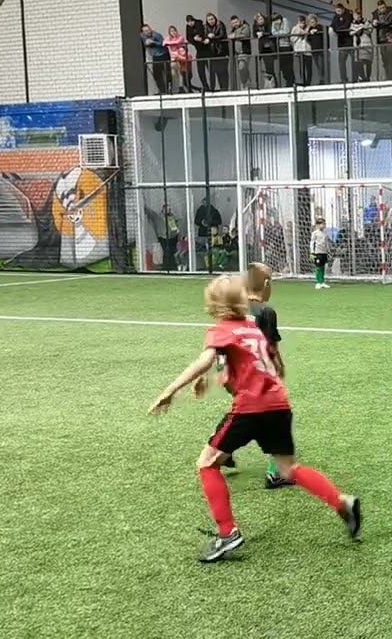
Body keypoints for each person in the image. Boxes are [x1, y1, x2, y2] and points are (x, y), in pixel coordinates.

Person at [149, 273, 361, 562]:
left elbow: (205, 360)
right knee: (287, 468)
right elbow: (256, 360)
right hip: (279, 404)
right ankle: (342, 502)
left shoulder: (220, 330)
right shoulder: (252, 327)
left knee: (207, 463)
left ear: (214, 304)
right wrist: (212, 377)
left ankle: (228, 533)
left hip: (251, 407)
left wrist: (170, 391)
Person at [140, 24, 171, 94]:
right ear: (143, 32)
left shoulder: (156, 35)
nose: (148, 32)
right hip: (155, 56)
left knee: (167, 73)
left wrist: (153, 42)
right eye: (146, 31)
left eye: (149, 30)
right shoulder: (142, 36)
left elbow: (163, 43)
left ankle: (169, 90)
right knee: (157, 74)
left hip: (163, 54)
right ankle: (162, 90)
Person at [372, 0, 392, 81]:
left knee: (391, 59)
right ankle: (387, 76)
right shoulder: (375, 13)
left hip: (390, 38)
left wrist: (378, 23)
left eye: (383, 7)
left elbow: (389, 22)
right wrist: (374, 23)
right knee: (384, 59)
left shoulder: (391, 11)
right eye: (380, 8)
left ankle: (391, 77)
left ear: (385, 6)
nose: (382, 9)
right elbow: (373, 23)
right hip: (381, 39)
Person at [202, 13, 229, 90]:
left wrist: (212, 37)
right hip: (211, 53)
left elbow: (222, 35)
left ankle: (224, 88)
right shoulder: (205, 27)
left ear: (215, 19)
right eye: (209, 20)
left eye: (212, 19)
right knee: (214, 72)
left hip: (221, 52)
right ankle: (213, 89)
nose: (211, 21)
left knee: (223, 72)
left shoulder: (220, 24)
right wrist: (208, 37)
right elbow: (204, 36)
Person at [330, 3, 355, 83]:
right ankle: (343, 79)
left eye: (339, 11)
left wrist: (336, 29)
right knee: (341, 62)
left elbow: (346, 25)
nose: (338, 12)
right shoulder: (336, 16)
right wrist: (331, 27)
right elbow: (333, 24)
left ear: (343, 9)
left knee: (354, 61)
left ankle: (355, 78)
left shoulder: (348, 15)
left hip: (350, 42)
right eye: (336, 11)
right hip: (341, 43)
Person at [163, 25, 192, 92]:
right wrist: (170, 43)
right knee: (174, 75)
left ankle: (182, 89)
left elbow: (178, 42)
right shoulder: (168, 38)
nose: (173, 32)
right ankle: (175, 90)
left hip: (181, 58)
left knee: (182, 74)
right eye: (171, 31)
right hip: (173, 58)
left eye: (174, 30)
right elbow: (164, 43)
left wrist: (169, 43)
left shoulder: (180, 37)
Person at [194, 197, 222, 267]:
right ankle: (205, 265)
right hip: (202, 233)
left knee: (211, 249)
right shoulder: (200, 210)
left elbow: (219, 221)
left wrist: (210, 222)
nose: (204, 204)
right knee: (203, 250)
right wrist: (201, 222)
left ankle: (212, 265)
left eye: (205, 202)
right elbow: (196, 221)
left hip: (212, 234)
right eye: (203, 203)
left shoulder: (214, 211)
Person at [185, 15, 209, 91]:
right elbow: (188, 38)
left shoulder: (199, 23)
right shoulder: (188, 27)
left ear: (194, 20)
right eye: (188, 22)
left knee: (210, 69)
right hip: (199, 50)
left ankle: (212, 86)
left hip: (207, 49)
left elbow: (202, 33)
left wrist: (200, 38)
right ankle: (206, 86)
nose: (190, 23)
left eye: (191, 21)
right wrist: (194, 39)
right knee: (200, 71)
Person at [228, 15, 251, 89]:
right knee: (240, 70)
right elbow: (229, 36)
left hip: (244, 52)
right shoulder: (232, 30)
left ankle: (246, 84)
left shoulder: (245, 26)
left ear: (239, 20)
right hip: (236, 54)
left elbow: (245, 35)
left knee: (242, 68)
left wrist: (234, 36)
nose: (235, 24)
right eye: (233, 23)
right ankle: (245, 85)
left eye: (236, 22)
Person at [271, 13, 295, 86]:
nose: (276, 22)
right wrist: (280, 33)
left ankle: (290, 82)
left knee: (288, 65)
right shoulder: (274, 23)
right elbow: (273, 32)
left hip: (287, 46)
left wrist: (278, 33)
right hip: (279, 46)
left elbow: (286, 31)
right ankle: (287, 80)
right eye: (274, 21)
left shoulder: (285, 21)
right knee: (282, 66)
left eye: (277, 20)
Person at [253, 12, 276, 86]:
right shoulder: (256, 26)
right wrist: (256, 30)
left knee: (271, 67)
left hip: (270, 48)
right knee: (265, 67)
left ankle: (274, 83)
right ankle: (268, 83)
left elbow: (270, 32)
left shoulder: (267, 24)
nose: (260, 20)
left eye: (261, 19)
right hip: (262, 49)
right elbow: (254, 35)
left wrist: (262, 34)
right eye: (258, 19)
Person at [305, 13, 328, 85]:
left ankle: (323, 80)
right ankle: (321, 79)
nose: (312, 23)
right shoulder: (310, 29)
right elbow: (307, 39)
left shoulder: (320, 27)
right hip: (314, 50)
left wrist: (315, 31)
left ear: (316, 21)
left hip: (321, 49)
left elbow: (324, 32)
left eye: (313, 22)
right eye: (311, 22)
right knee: (318, 65)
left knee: (321, 65)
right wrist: (309, 31)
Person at [351, 12, 373, 82]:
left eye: (358, 16)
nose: (357, 18)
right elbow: (350, 32)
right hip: (358, 46)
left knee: (368, 62)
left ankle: (368, 77)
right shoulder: (352, 23)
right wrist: (357, 30)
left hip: (367, 44)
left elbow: (370, 30)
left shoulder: (366, 22)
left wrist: (363, 26)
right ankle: (362, 77)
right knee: (359, 62)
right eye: (355, 16)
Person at [311, 219, 332, 289]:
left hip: (324, 252)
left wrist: (328, 251)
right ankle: (318, 282)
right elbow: (312, 242)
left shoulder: (325, 233)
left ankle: (322, 282)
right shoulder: (315, 233)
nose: (324, 225)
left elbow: (326, 243)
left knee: (323, 267)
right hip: (317, 252)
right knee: (318, 267)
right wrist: (312, 252)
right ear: (317, 225)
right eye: (322, 224)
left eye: (324, 224)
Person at [290, 15, 310, 85]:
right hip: (298, 49)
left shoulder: (307, 28)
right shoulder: (295, 28)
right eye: (301, 23)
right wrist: (298, 35)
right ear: (298, 22)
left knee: (306, 67)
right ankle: (299, 81)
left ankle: (307, 81)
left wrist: (306, 31)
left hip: (306, 50)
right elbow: (292, 39)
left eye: (303, 23)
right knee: (299, 67)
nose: (302, 24)